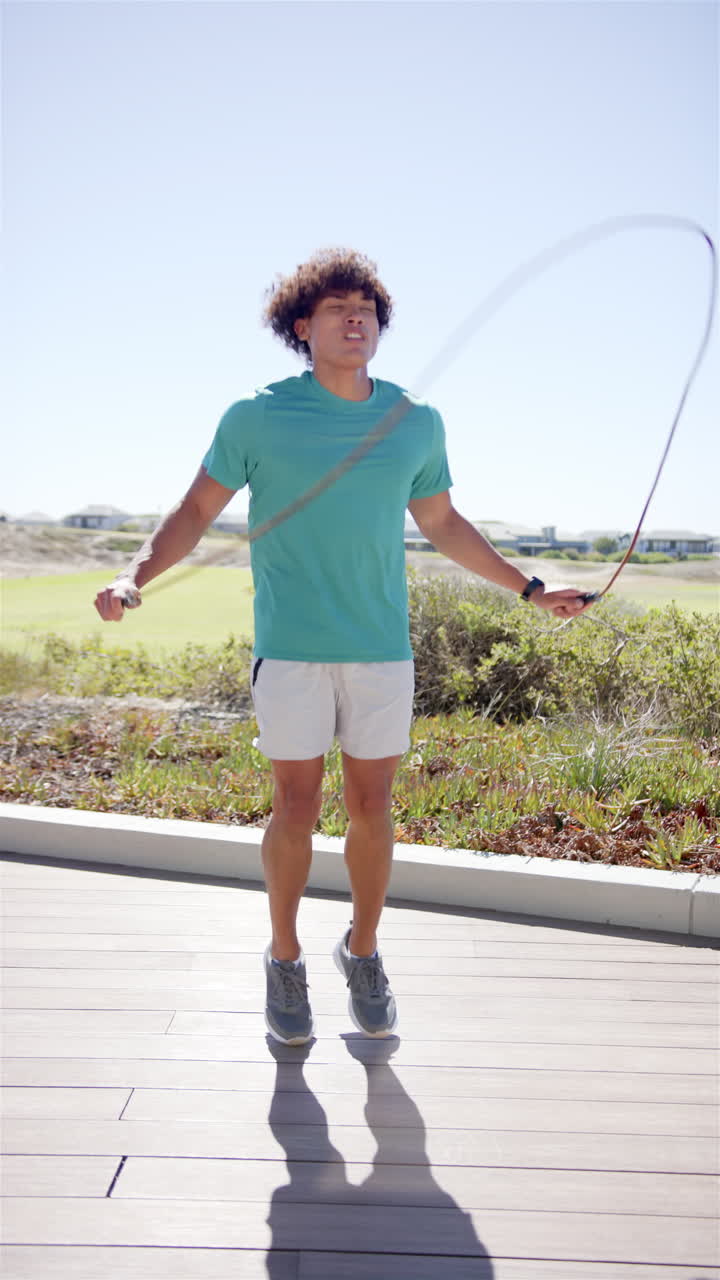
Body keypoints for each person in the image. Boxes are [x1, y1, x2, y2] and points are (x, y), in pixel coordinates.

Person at [94, 247, 590, 1047]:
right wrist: (134, 573)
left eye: (367, 309)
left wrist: (529, 588)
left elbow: (443, 525)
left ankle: (363, 949)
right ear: (303, 326)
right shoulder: (255, 416)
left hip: (379, 648)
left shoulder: (414, 421)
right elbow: (193, 510)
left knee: (372, 805)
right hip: (290, 647)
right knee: (296, 805)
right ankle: (284, 959)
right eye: (337, 308)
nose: (357, 319)